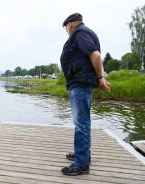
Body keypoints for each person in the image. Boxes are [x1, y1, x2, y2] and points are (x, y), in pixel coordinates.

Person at [60, 13, 110, 176]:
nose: (66, 30)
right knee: (84, 122)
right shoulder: (84, 33)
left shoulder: (80, 33)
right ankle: (83, 155)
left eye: (65, 27)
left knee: (81, 124)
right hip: (81, 82)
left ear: (70, 25)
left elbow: (95, 55)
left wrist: (100, 77)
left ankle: (81, 164)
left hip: (81, 83)